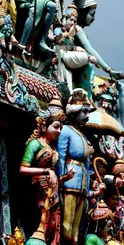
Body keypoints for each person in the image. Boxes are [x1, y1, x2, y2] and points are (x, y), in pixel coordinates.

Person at [20, 98, 72, 245]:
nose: (59, 131)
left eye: (61, 128)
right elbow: (23, 169)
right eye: (56, 127)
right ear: (44, 126)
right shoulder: (35, 144)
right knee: (38, 225)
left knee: (52, 228)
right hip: (37, 193)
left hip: (53, 195)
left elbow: (54, 177)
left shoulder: (54, 150)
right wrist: (45, 171)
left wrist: (65, 177)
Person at [58, 89, 105, 245]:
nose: (87, 115)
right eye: (83, 111)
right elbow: (61, 157)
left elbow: (86, 164)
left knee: (77, 229)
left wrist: (92, 187)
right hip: (69, 183)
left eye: (88, 111)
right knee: (66, 224)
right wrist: (61, 177)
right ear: (74, 111)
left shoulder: (83, 136)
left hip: (82, 185)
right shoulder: (65, 131)